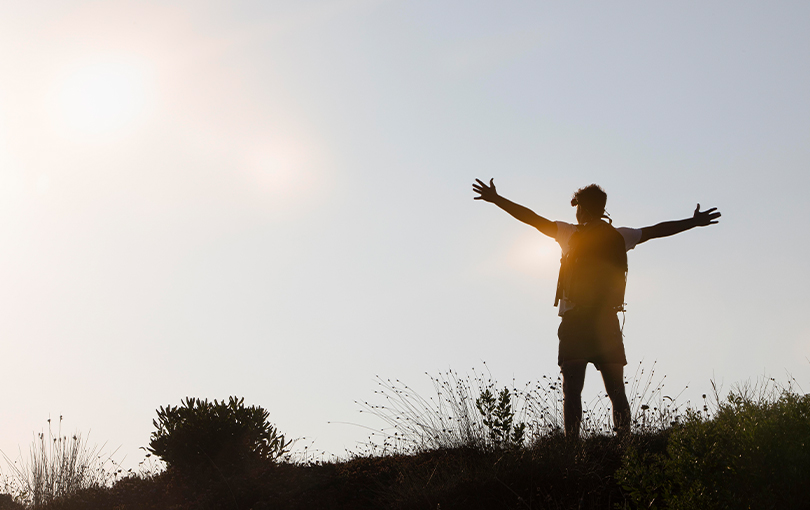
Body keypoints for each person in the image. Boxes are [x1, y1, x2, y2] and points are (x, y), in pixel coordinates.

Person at [472, 179, 720, 439]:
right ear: (602, 209)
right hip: (606, 321)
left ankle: (572, 449)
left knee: (572, 391)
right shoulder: (620, 236)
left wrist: (497, 199)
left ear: (581, 209)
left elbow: (532, 219)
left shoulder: (569, 233)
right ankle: (624, 446)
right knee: (616, 391)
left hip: (575, 321)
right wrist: (693, 222)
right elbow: (656, 230)